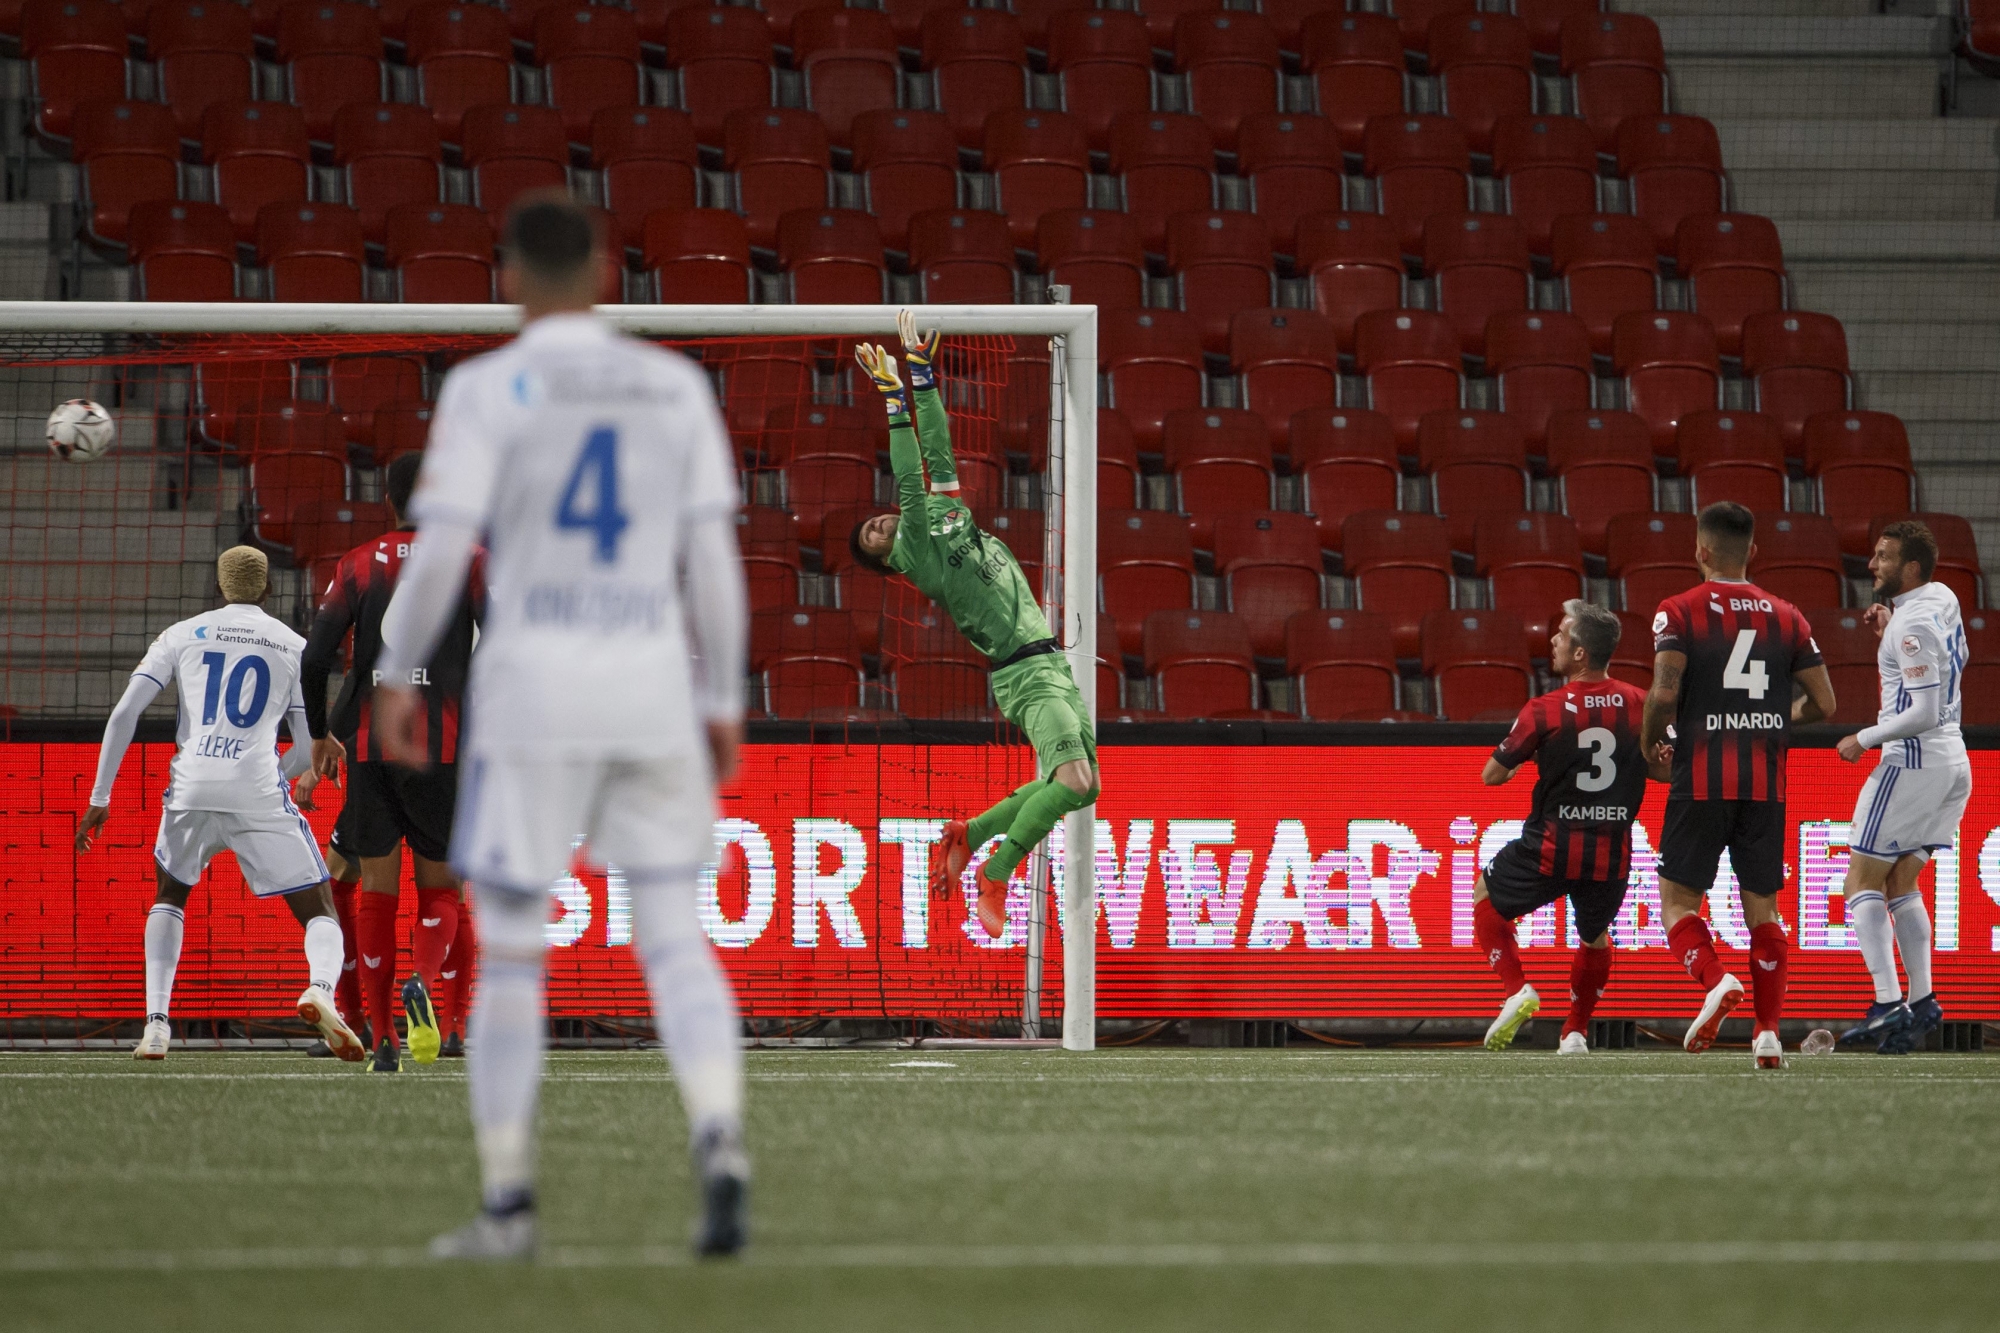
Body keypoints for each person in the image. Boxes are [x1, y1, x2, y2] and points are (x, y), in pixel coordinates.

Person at [371, 194, 750, 1260]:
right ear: (605, 274)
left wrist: (398, 670)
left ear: (506, 280)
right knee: (674, 935)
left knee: (515, 956)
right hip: (645, 681)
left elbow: (441, 551)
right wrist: (720, 697)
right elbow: (711, 564)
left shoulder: (488, 389)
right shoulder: (671, 385)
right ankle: (719, 1140)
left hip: (532, 687)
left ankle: (508, 1205)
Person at [850, 310, 1099, 938]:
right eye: (873, 539)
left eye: (873, 523)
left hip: (1048, 661)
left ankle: (970, 832)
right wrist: (894, 394)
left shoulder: (944, 513)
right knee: (1074, 780)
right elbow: (909, 474)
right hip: (1024, 671)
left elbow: (937, 453)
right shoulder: (919, 554)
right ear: (888, 561)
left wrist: (924, 377)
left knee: (1080, 787)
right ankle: (997, 872)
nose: (879, 528)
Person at [74, 546, 364, 1063]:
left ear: (218, 586)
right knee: (320, 908)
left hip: (191, 786)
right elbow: (304, 746)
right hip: (254, 786)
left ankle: (157, 1026)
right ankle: (320, 989)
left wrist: (100, 797)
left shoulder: (182, 633)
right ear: (269, 589)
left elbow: (124, 714)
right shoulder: (294, 645)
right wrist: (281, 776)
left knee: (170, 895)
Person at [301, 451, 483, 1071]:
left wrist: (323, 733)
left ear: (389, 502)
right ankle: (425, 986)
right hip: (444, 749)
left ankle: (380, 1039)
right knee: (443, 888)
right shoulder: (471, 561)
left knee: (374, 888)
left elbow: (315, 657)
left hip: (372, 749)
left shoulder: (356, 564)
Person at [1641, 502, 1837, 1069]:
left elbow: (1662, 693)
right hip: (1764, 783)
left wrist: (1649, 744)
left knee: (1678, 901)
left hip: (1699, 776)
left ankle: (1715, 978)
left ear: (1700, 550)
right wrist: (1775, 718)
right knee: (1764, 911)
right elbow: (1825, 703)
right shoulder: (1788, 615)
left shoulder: (1678, 610)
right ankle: (1769, 1033)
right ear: (1753, 552)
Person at [1474, 601, 1665, 1053]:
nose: (1554, 640)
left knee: (1485, 896)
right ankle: (1575, 1031)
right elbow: (1665, 772)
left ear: (1581, 654)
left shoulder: (1544, 709)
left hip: (1549, 847)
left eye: (1562, 634)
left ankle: (1517, 989)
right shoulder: (1641, 703)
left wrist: (1534, 759)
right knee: (1594, 936)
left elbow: (1491, 775)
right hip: (1612, 854)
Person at [1834, 520, 1970, 1054]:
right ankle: (1924, 1001)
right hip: (1954, 763)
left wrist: (1862, 737)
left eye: (1884, 557)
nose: (1872, 565)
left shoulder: (1910, 627)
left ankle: (1887, 1003)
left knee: (1860, 880)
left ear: (1910, 568)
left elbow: (1923, 710)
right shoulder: (1943, 596)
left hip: (1912, 763)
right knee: (1901, 884)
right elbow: (1928, 644)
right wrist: (1892, 624)